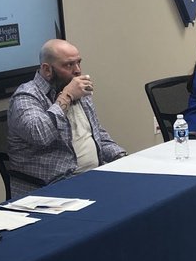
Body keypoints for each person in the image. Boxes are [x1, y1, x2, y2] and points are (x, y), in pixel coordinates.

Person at [7, 39, 125, 196]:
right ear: (47, 69)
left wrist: (123, 158)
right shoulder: (26, 96)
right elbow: (40, 134)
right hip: (51, 188)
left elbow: (97, 135)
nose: (77, 71)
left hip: (94, 177)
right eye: (69, 65)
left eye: (78, 63)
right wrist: (67, 96)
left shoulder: (76, 90)